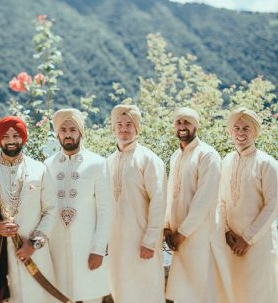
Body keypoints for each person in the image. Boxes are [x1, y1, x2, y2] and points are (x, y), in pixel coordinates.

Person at [0, 116, 59, 303]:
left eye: (16, 135)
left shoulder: (39, 169)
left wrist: (34, 243)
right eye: (5, 136)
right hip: (0, 256)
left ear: (23, 137)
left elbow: (51, 210)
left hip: (35, 253)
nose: (11, 140)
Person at [45, 108, 111, 303]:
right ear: (57, 134)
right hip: (56, 248)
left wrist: (98, 249)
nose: (68, 134)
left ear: (80, 132)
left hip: (87, 247)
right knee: (58, 295)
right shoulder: (48, 165)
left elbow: (105, 210)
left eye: (72, 129)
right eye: (63, 130)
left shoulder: (97, 163)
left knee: (91, 296)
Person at [164, 107, 229, 303]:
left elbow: (205, 199)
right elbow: (170, 196)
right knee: (184, 292)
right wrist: (167, 228)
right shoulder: (176, 157)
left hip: (200, 236)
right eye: (178, 122)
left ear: (196, 125)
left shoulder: (208, 155)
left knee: (204, 291)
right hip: (178, 239)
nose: (182, 126)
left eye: (187, 122)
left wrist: (182, 232)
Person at [106, 105, 166, 303]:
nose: (123, 129)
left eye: (129, 124)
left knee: (145, 290)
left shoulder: (149, 159)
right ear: (114, 128)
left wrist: (149, 240)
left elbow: (159, 202)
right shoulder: (108, 161)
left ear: (137, 128)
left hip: (142, 241)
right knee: (120, 290)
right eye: (119, 125)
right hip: (116, 242)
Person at [219, 108, 278, 302]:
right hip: (231, 245)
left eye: (246, 128)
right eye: (236, 128)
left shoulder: (267, 163)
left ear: (254, 132)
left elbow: (273, 205)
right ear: (230, 131)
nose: (241, 133)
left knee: (258, 295)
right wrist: (227, 232)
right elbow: (221, 201)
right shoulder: (226, 161)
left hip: (259, 245)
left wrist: (248, 239)